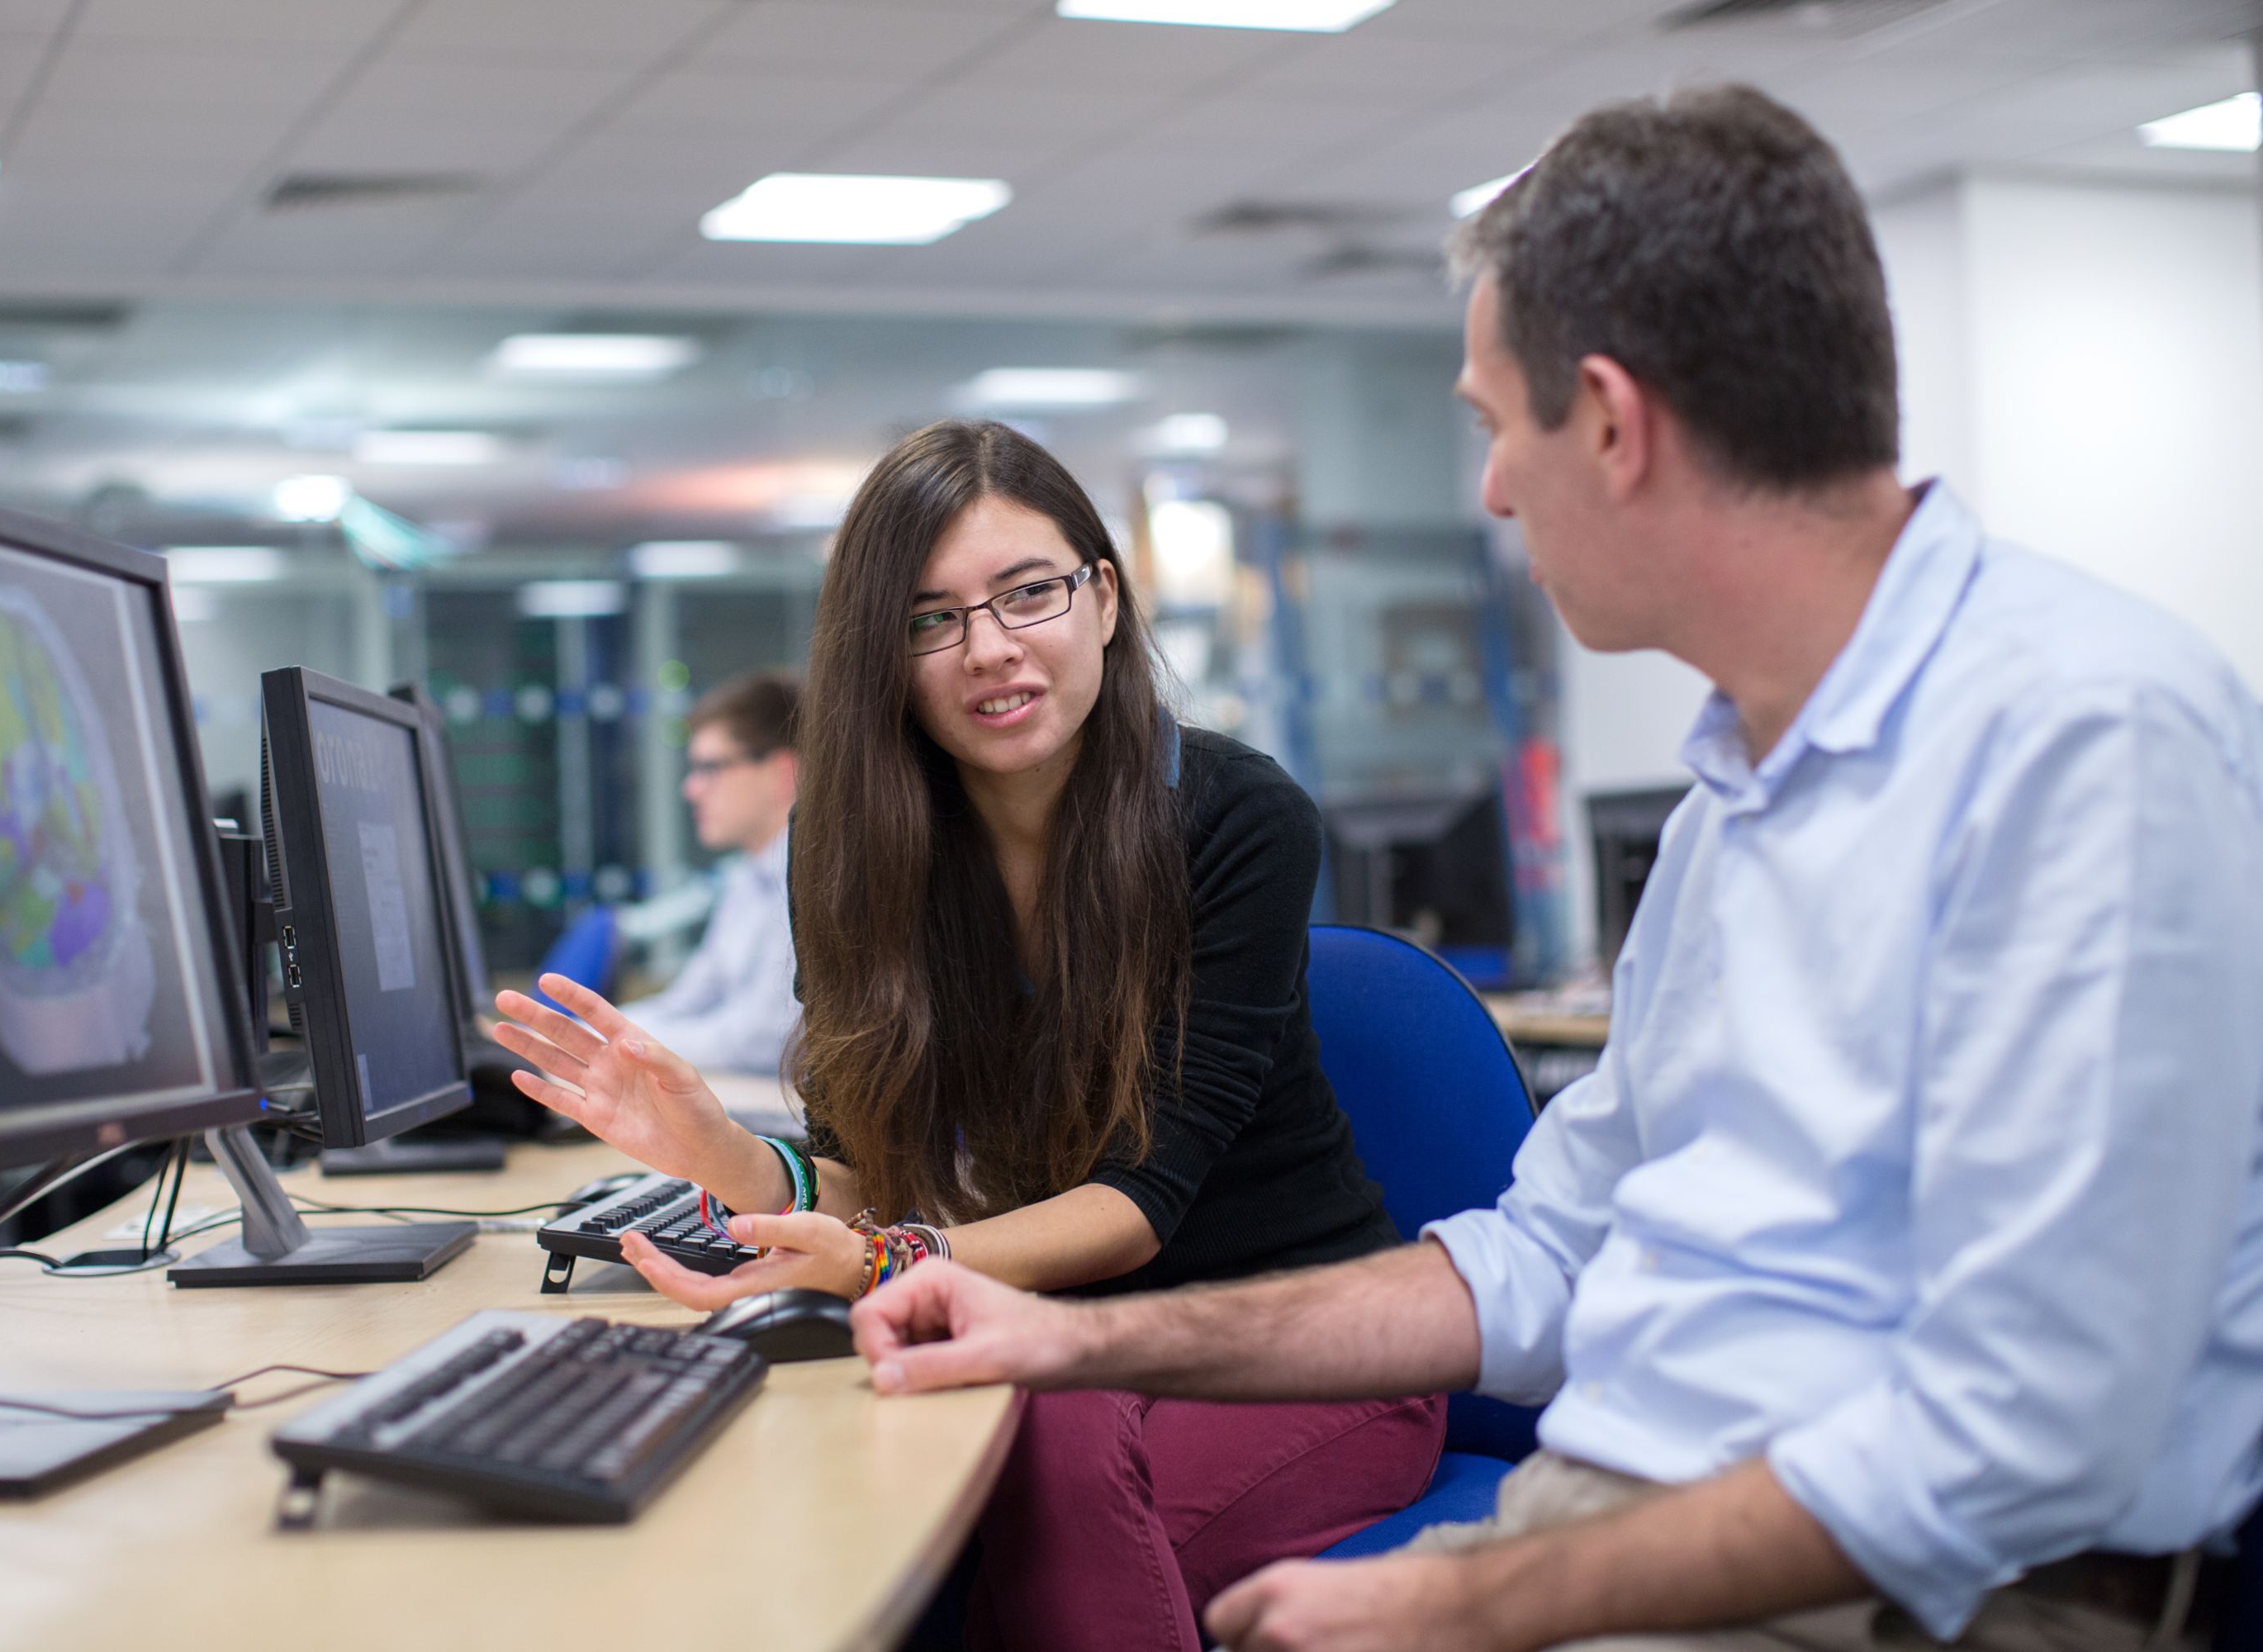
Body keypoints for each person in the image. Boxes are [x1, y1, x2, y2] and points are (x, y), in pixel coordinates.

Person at [847, 86, 2263, 1652]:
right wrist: (1052, 1339)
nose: (1494, 491)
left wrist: (1474, 1600)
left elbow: (2018, 1436)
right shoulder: (1749, 786)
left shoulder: (2085, 741)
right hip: (1631, 1512)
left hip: (1940, 1599)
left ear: (1609, 421)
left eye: (1494, 427)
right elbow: (1541, 1260)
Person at [490, 419, 1447, 1650]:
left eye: (1027, 593)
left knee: (996, 1525)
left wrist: (890, 1268)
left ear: (1102, 598)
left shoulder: (1232, 818)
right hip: (1050, 1342)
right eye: (929, 620)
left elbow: (1137, 1204)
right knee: (901, 1482)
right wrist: (719, 1152)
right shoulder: (852, 858)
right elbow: (868, 1170)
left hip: (1293, 1340)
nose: (988, 649)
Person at [612, 669, 803, 1075]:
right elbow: (688, 1001)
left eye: (710, 768)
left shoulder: (814, 881)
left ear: (782, 773)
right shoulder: (747, 879)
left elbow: (760, 1042)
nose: (691, 789)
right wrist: (580, 1033)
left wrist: (610, 1044)